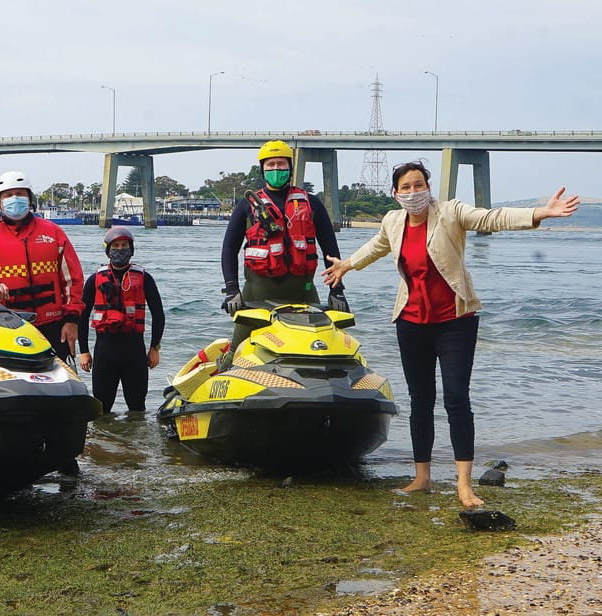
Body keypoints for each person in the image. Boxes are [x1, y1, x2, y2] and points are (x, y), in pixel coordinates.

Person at [322, 160, 579, 509]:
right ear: (396, 194)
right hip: (411, 322)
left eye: (419, 185)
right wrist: (347, 264)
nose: (414, 193)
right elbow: (378, 246)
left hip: (455, 320)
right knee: (421, 400)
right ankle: (422, 477)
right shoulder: (393, 221)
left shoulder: (450, 212)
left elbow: (491, 218)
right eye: (406, 187)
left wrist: (539, 213)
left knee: (457, 398)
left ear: (429, 187)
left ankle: (464, 485)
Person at [220, 140, 346, 363]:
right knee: (236, 352)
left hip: (304, 293)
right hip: (257, 295)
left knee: (325, 345)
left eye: (281, 164)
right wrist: (232, 290)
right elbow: (229, 248)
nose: (276, 169)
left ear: (290, 167)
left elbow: (331, 251)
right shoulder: (247, 206)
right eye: (270, 165)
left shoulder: (312, 204)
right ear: (263, 169)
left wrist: (337, 291)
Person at [0, 171, 85, 363]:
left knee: (61, 384)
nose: (15, 199)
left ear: (29, 198)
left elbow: (73, 280)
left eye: (20, 194)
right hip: (6, 325)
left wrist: (72, 320)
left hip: (53, 325)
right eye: (8, 195)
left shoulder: (53, 232)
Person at [78, 227, 165, 413]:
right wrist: (84, 351)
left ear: (131, 249)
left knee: (137, 410)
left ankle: (134, 442)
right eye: (115, 246)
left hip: (135, 353)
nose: (120, 249)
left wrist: (154, 348)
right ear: (108, 250)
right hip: (104, 353)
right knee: (101, 410)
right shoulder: (95, 279)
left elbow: (158, 314)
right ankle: (103, 442)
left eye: (124, 245)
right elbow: (82, 317)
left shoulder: (144, 278)